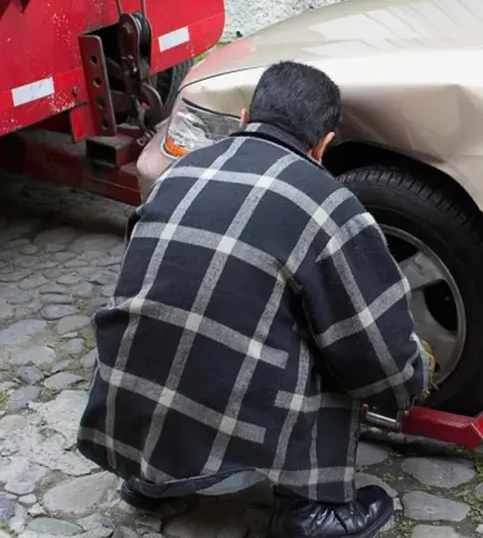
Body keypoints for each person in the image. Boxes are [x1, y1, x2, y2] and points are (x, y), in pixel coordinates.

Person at [77, 61, 436, 538]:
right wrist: (412, 379)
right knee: (336, 341)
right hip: (234, 426)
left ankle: (152, 478)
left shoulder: (180, 173)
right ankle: (312, 511)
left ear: (245, 117)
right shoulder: (327, 203)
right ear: (324, 144)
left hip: (127, 419)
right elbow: (372, 348)